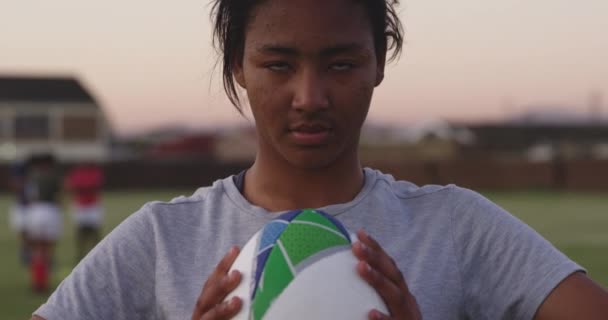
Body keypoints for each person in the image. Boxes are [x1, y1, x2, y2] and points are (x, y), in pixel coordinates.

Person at [33, 0, 608, 319]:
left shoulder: (454, 227)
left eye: (340, 64)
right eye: (279, 65)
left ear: (379, 63)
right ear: (238, 67)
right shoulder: (162, 240)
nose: (309, 97)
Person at [26, 153, 63, 293]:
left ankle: (37, 281)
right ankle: (44, 281)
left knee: (37, 250)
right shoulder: (54, 177)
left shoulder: (33, 176)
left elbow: (30, 196)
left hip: (35, 211)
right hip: (50, 211)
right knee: (48, 249)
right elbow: (60, 195)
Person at [64, 162, 105, 262]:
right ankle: (80, 255)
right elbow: (71, 186)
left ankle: (98, 255)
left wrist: (83, 187)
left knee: (95, 232)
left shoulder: (95, 172)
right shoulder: (76, 173)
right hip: (81, 206)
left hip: (93, 205)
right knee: (80, 232)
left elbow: (96, 186)